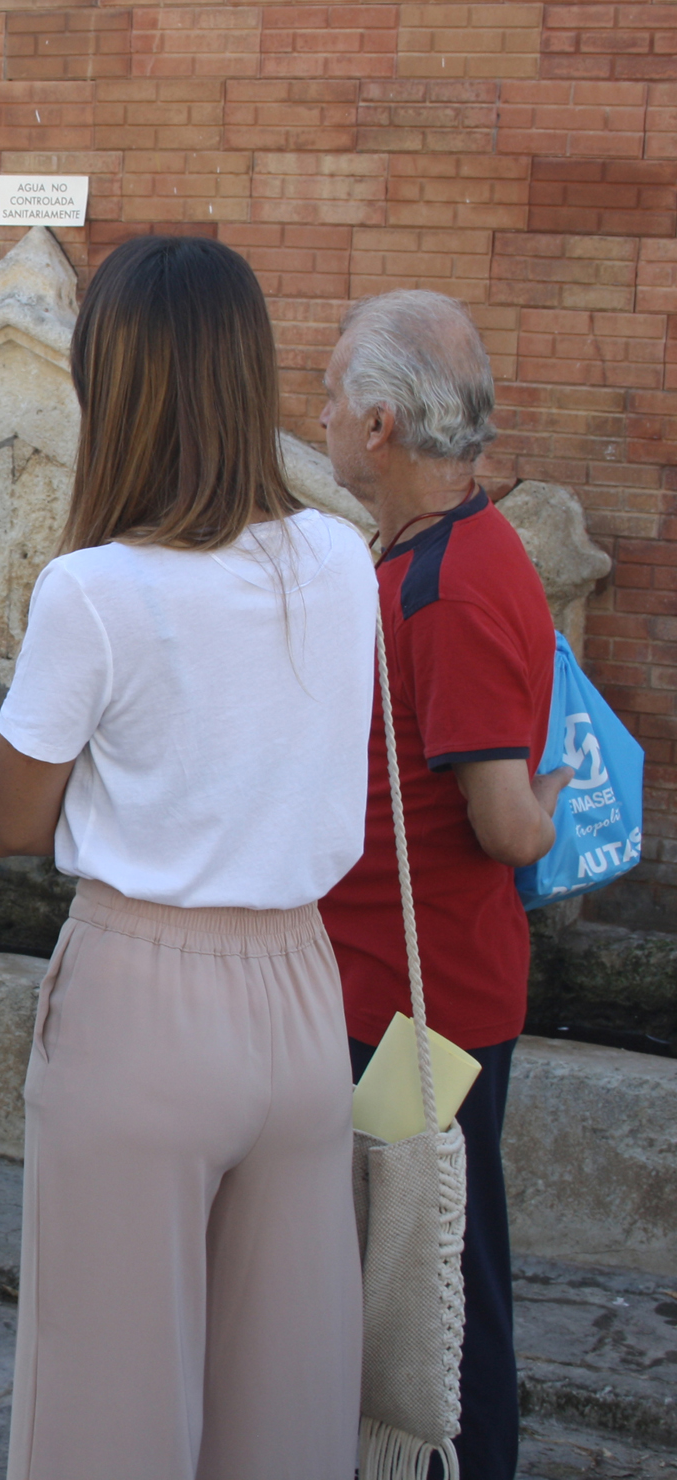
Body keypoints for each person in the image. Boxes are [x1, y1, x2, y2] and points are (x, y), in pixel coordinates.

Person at [0, 235, 377, 1478]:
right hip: (301, 995)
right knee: (285, 1407)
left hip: (142, 996)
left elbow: (16, 820)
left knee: (106, 1406)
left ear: (109, 384)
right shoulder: (341, 556)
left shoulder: (93, 588)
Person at [318, 290, 565, 1480]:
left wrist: (549, 805)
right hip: (397, 994)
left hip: (417, 1011)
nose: (316, 412)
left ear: (376, 426)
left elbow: (504, 824)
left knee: (435, 1284)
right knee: (409, 1266)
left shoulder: (446, 584)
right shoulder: (437, 551)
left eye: (328, 393)